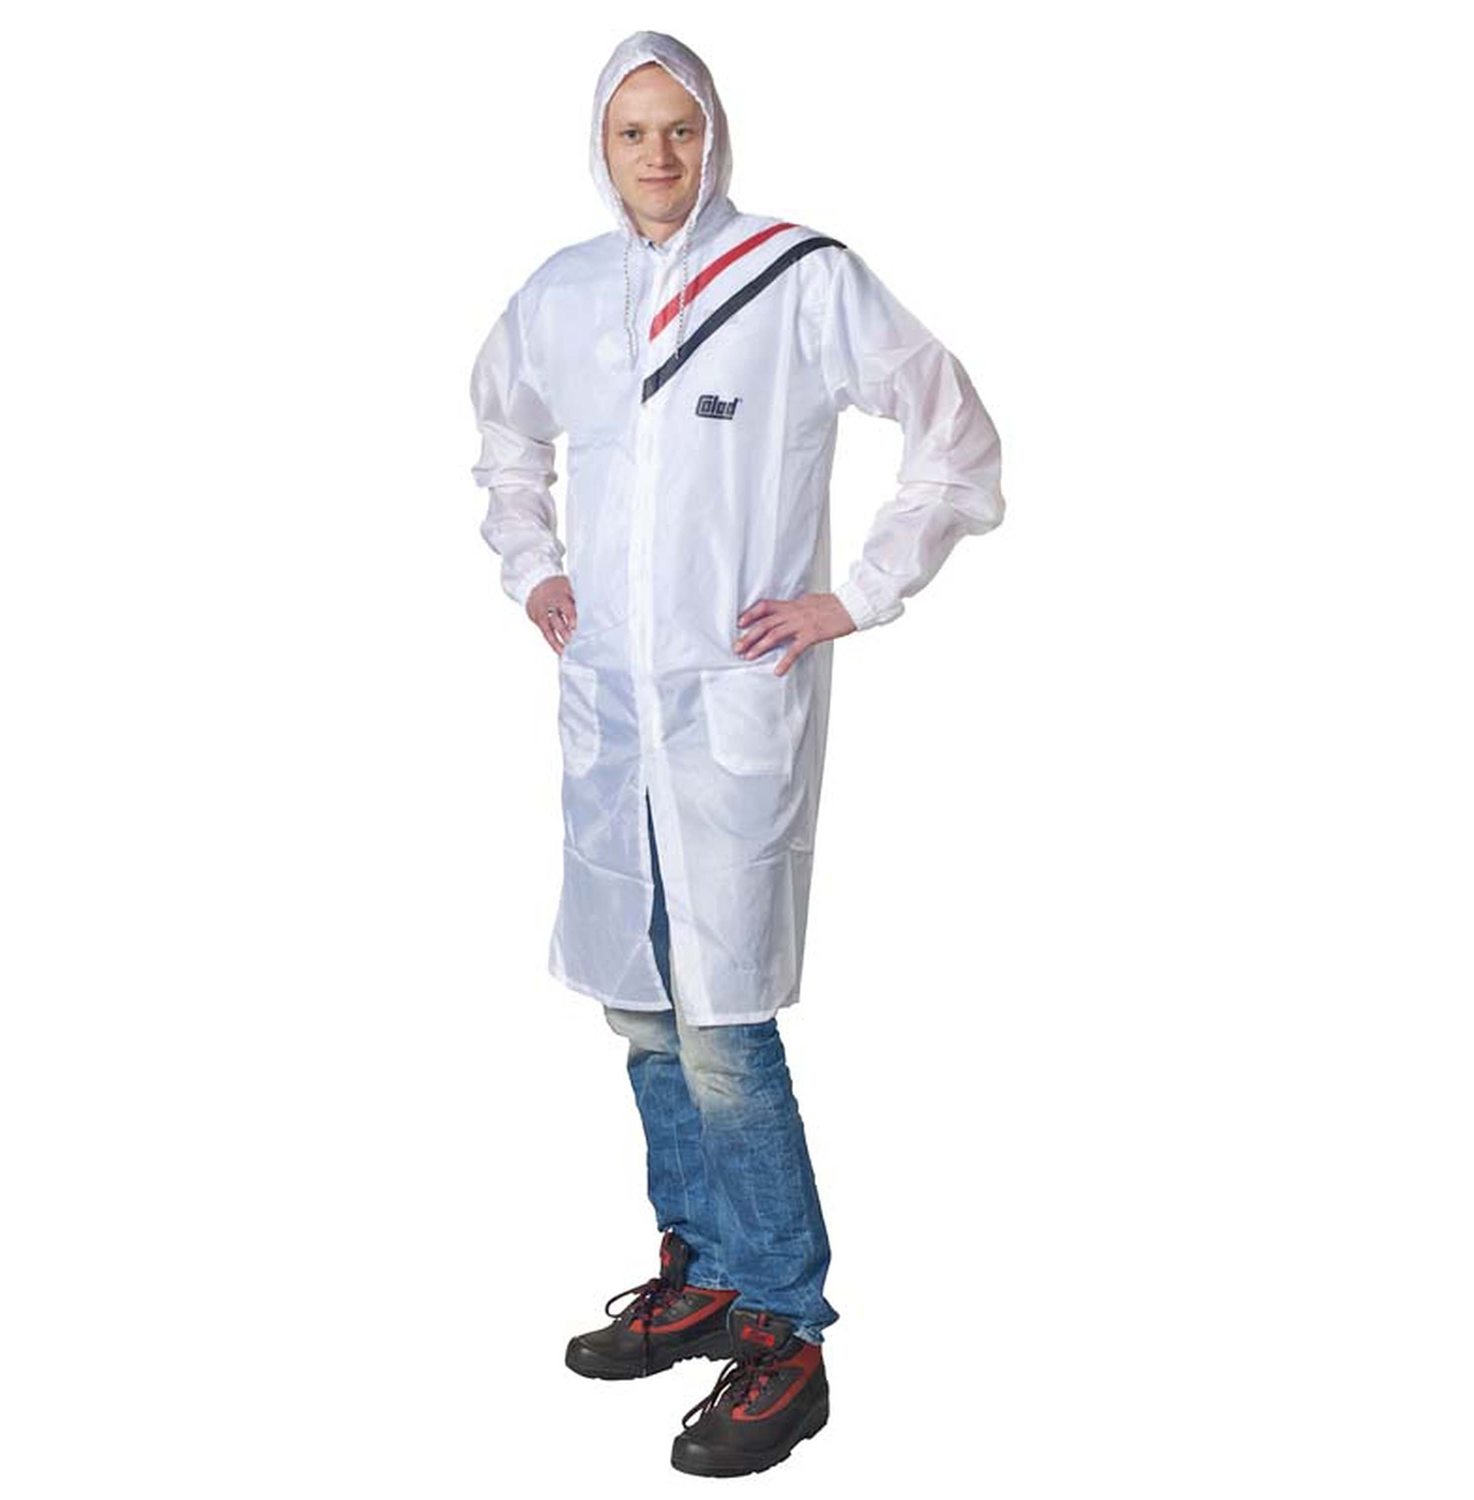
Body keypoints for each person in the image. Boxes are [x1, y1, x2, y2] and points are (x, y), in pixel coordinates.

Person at [469, 31, 1005, 1478]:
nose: (658, 156)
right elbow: (504, 444)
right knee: (641, 1011)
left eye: (681, 129)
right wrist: (534, 567)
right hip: (611, 715)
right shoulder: (561, 296)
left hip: (731, 713)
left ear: (714, 136)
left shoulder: (795, 278)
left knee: (723, 1026)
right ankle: (702, 1268)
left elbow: (953, 435)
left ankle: (785, 1326)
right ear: (601, 143)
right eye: (632, 131)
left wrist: (860, 593)